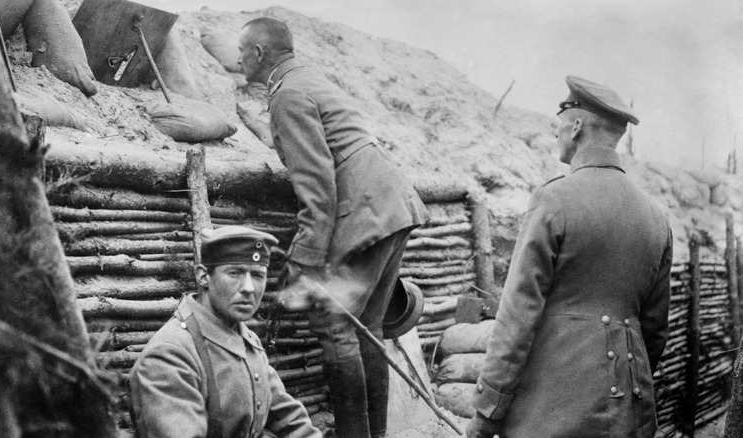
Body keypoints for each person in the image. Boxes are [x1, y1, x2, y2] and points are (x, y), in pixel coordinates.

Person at [237, 18, 428, 438]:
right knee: (369, 327)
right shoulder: (307, 80)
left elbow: (318, 189)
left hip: (366, 211)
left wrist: (302, 261)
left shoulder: (287, 96)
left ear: (259, 54)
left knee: (333, 323)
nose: (237, 60)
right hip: (392, 203)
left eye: (241, 52)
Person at [466, 76, 673, 438]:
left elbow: (517, 317)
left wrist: (488, 411)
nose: (555, 134)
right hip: (629, 414)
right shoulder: (657, 217)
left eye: (558, 125)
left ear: (576, 126)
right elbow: (654, 332)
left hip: (552, 415)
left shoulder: (554, 200)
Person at [128, 226, 322, 438]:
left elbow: (289, 418)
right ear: (203, 277)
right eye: (234, 273)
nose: (248, 287)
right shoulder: (170, 356)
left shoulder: (246, 339)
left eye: (257, 275)